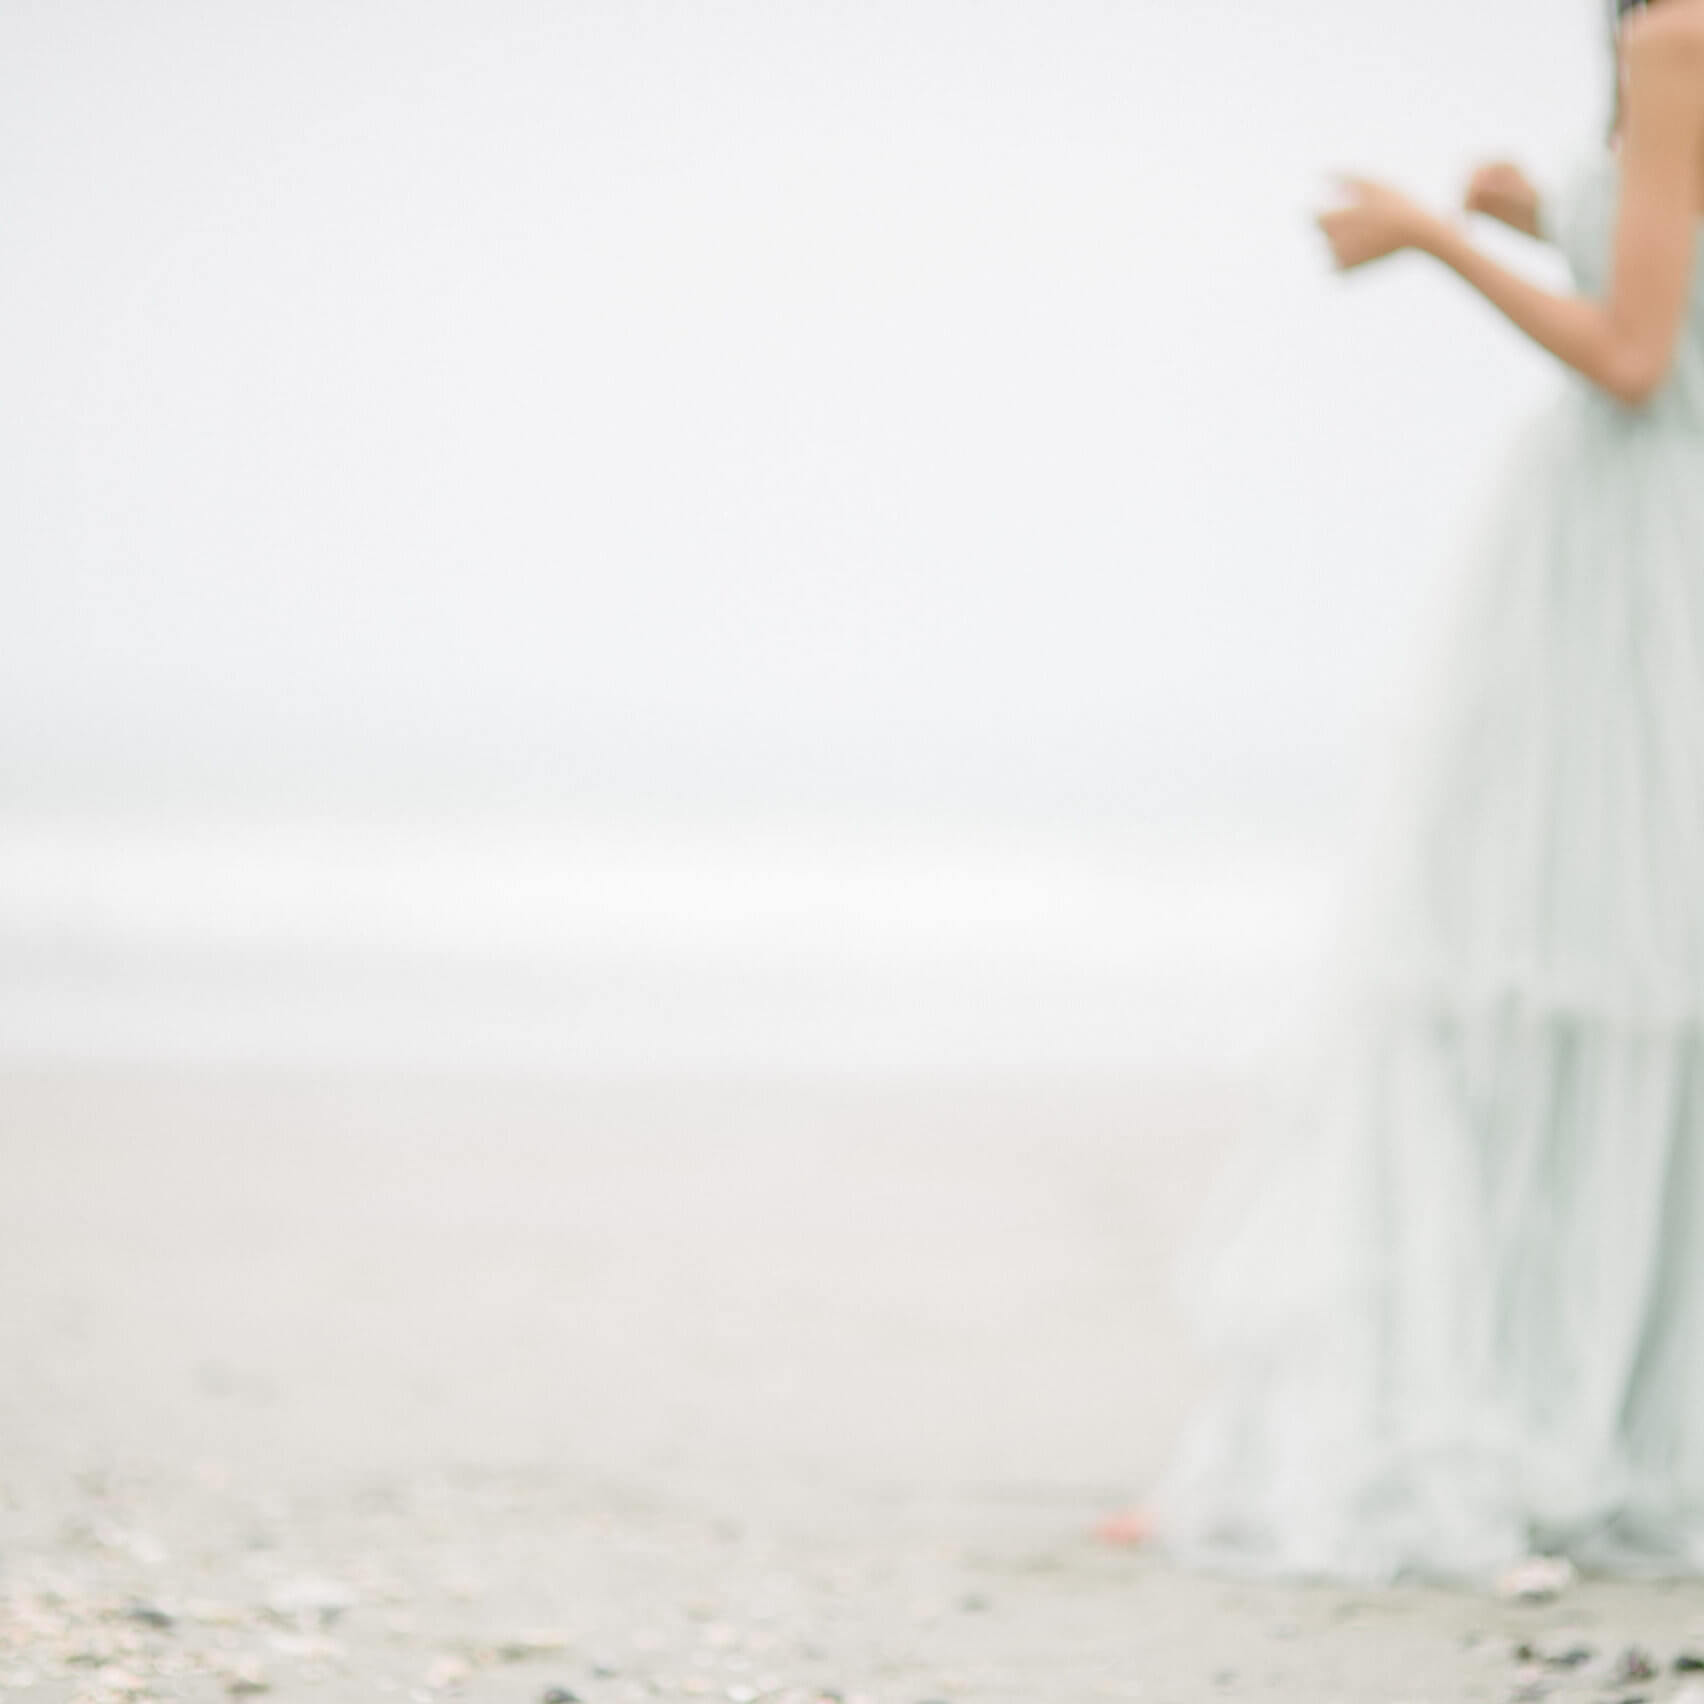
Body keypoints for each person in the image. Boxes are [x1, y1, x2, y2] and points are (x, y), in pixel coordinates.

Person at [1100, 0, 1704, 1585]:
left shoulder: (1680, 36)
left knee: (1535, 975)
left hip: (1635, 575)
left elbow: (1636, 362)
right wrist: (1546, 214)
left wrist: (1437, 237)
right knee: (1598, 987)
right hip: (1633, 569)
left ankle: (1548, 1424)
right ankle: (1613, 1418)